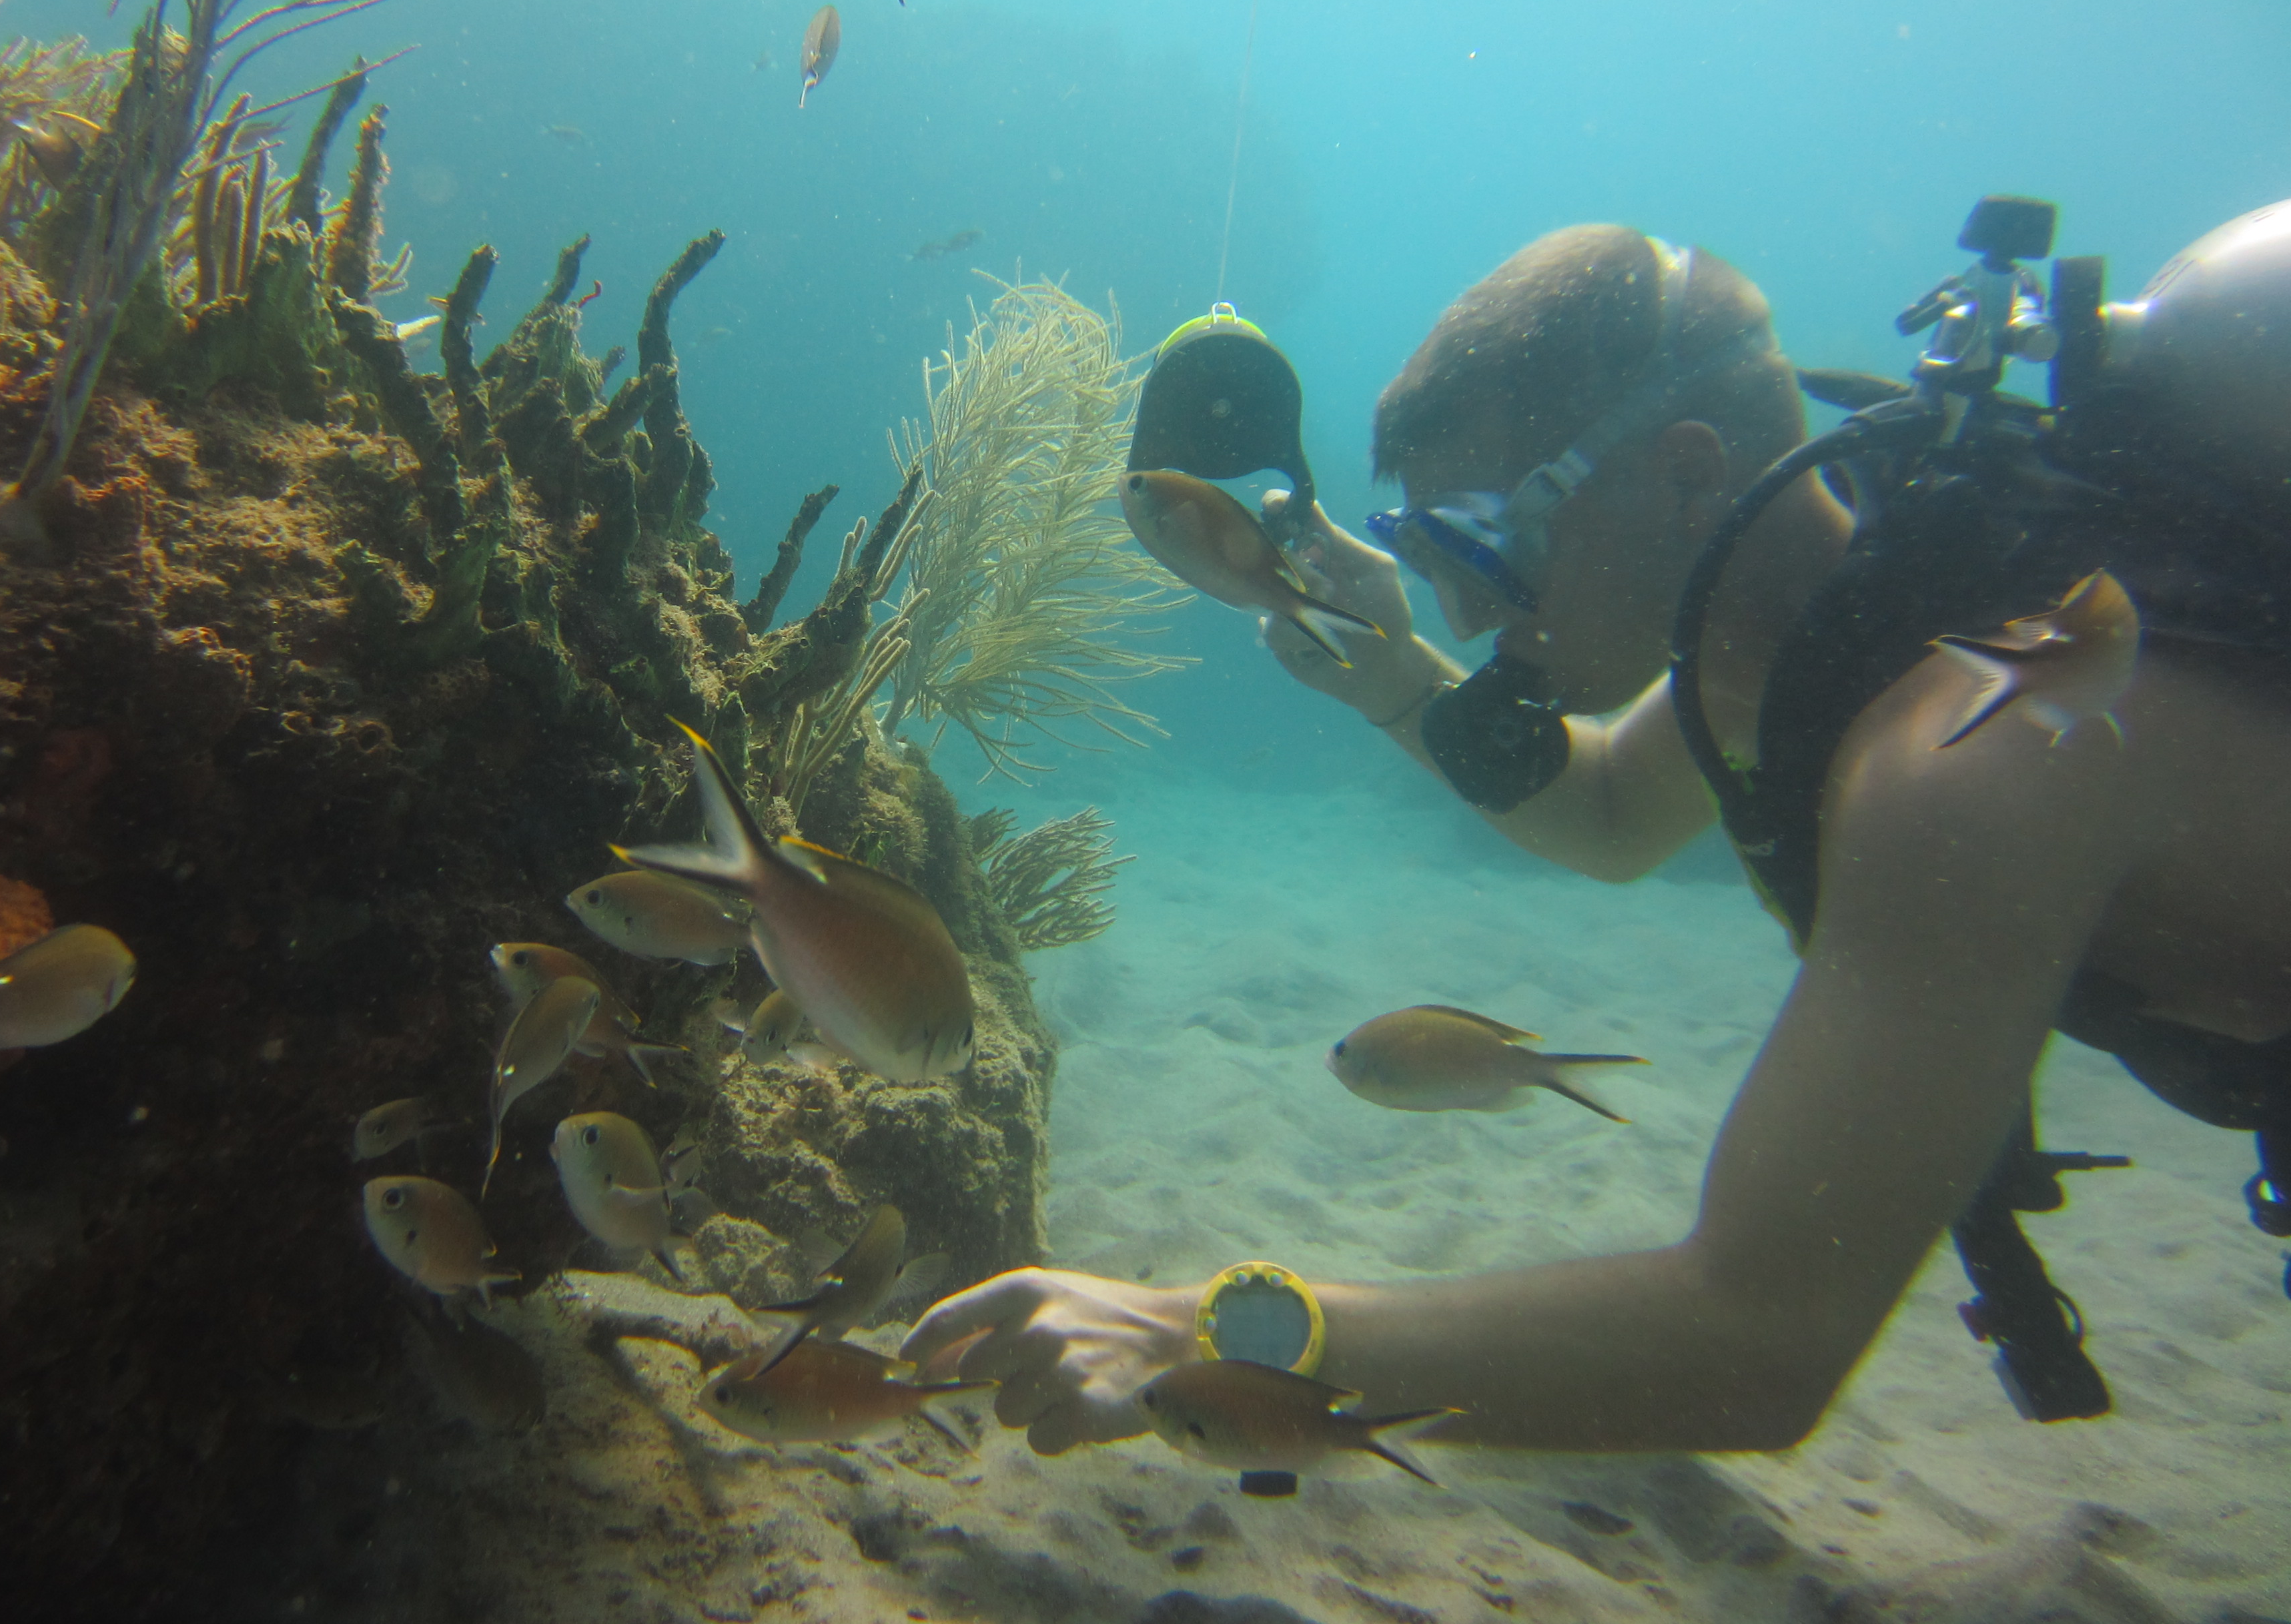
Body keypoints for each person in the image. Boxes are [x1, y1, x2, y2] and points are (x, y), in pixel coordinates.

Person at [905, 212, 2291, 1456]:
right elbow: (1615, 813)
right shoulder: (1819, 630)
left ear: (1689, 469)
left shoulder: (1966, 763)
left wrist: (1196, 1334)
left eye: (1486, 540)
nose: (1456, 610)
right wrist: (1387, 675)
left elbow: (1753, 1342)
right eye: (1430, 546)